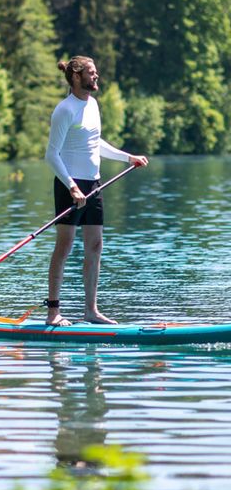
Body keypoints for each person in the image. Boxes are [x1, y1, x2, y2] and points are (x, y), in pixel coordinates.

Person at [44, 57, 148, 327]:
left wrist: (128, 157)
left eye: (96, 72)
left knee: (95, 245)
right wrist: (72, 186)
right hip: (70, 185)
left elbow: (94, 143)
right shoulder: (64, 110)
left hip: (94, 183)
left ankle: (91, 311)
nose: (97, 76)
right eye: (91, 73)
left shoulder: (93, 105)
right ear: (77, 77)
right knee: (64, 246)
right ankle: (53, 312)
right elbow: (51, 154)